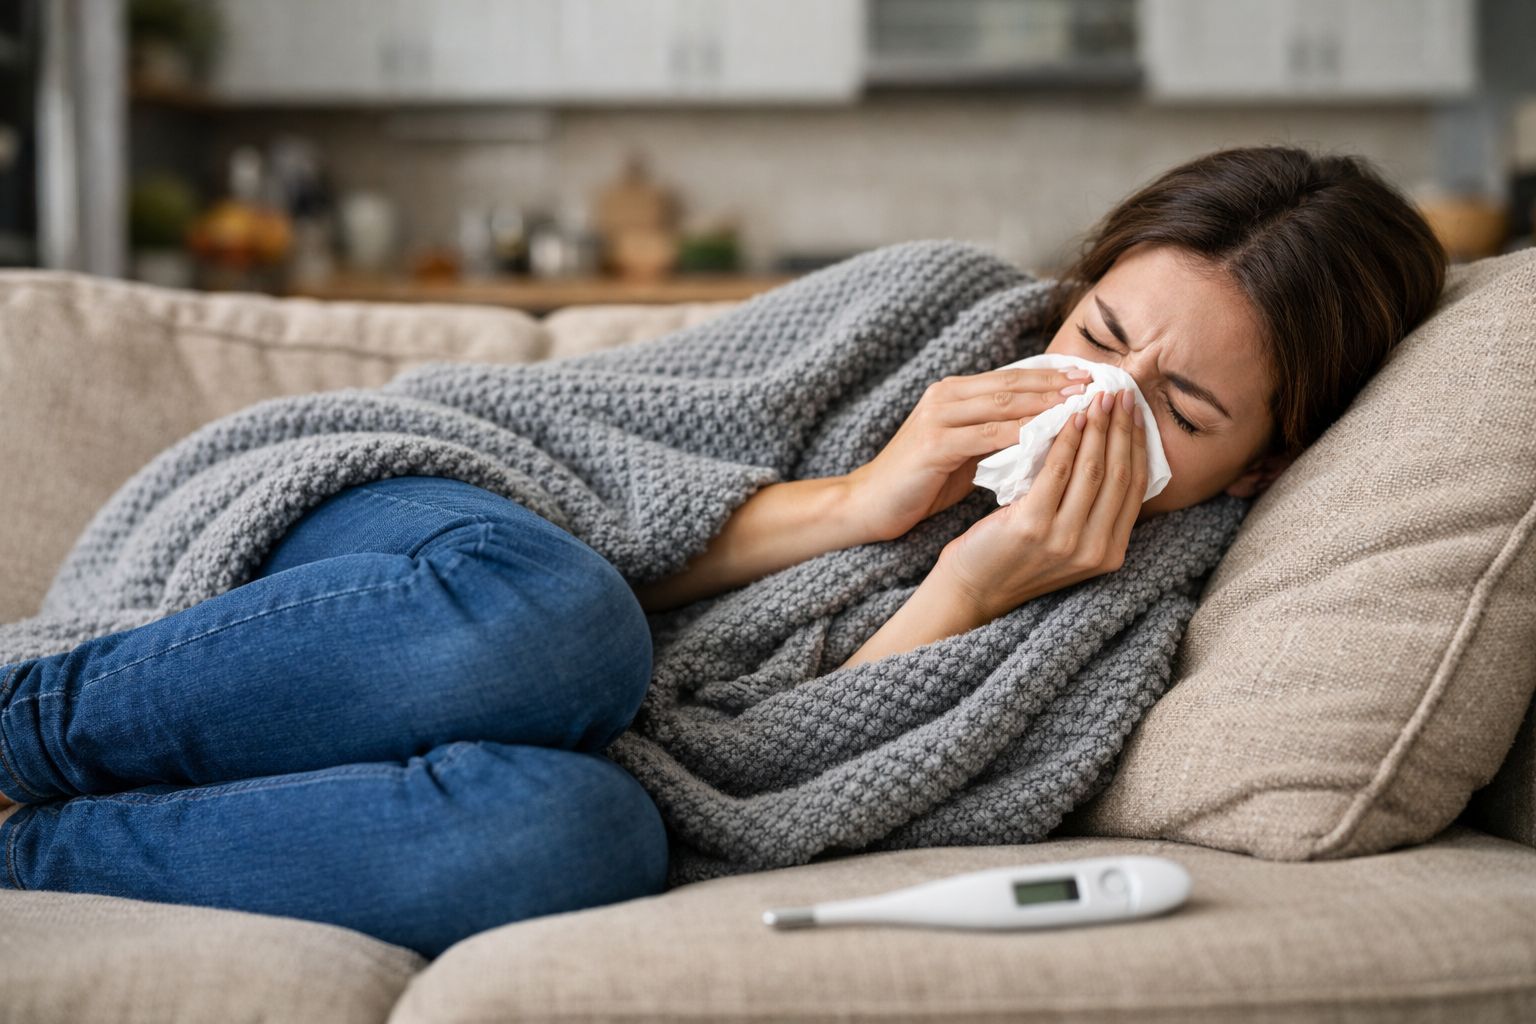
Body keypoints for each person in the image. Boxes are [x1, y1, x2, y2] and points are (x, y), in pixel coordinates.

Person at [0, 144, 1446, 958]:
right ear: (1071, 295)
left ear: (1259, 464)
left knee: (582, 840)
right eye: (1098, 340)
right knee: (556, 626)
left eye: (1179, 410)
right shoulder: (932, 309)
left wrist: (960, 587)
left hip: (565, 730)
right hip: (425, 538)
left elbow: (790, 806)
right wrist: (875, 500)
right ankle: (28, 722)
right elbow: (582, 456)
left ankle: (36, 847)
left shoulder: (1130, 622)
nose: (1099, 402)